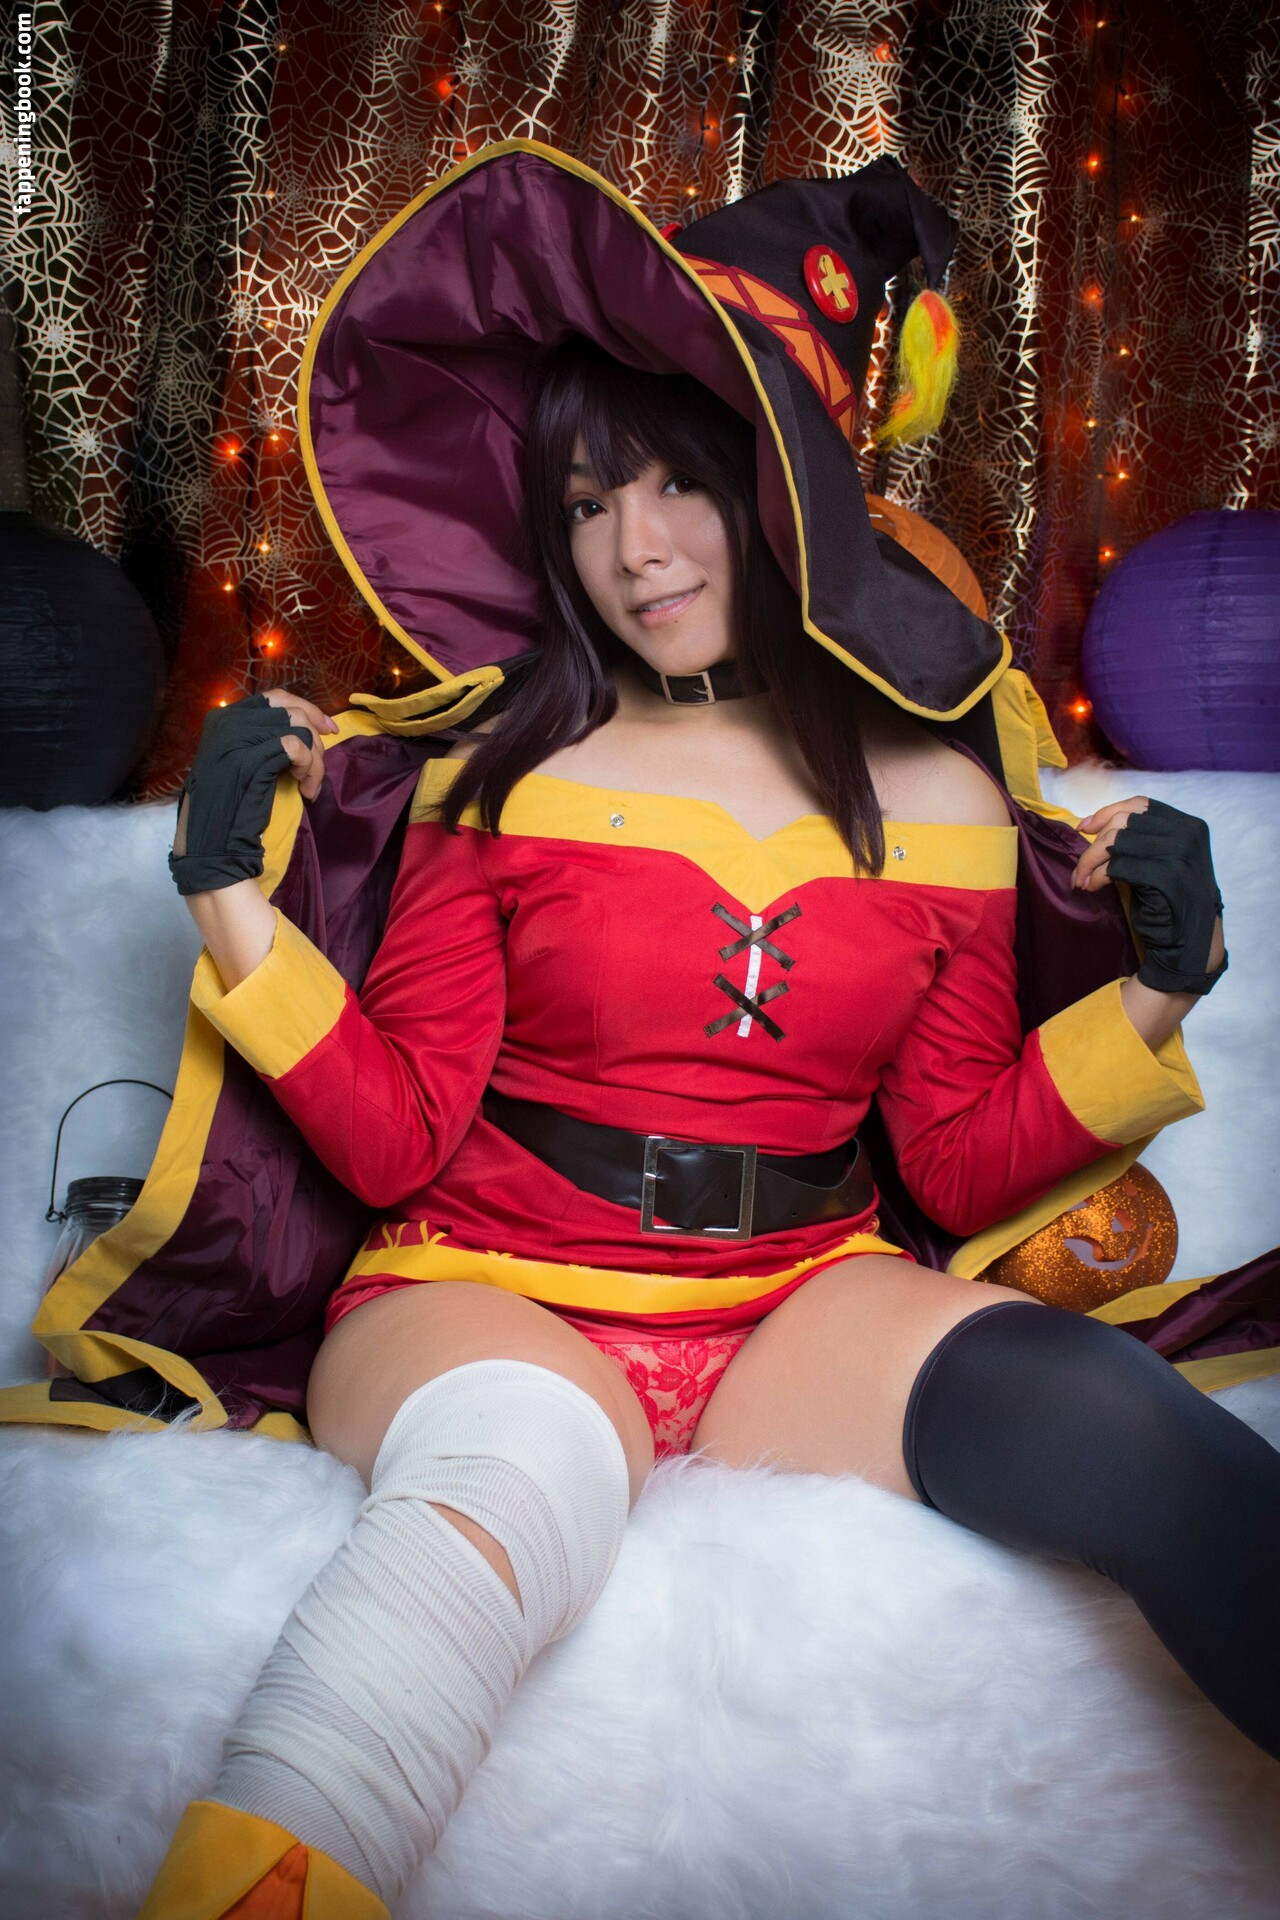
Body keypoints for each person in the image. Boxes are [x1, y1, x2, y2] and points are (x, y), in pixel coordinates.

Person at [136, 316, 1280, 1920]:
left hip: (798, 1297)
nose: (634, 548)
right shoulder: (499, 773)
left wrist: (1159, 988)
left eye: (678, 483)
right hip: (490, 1283)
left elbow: (955, 1161)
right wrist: (228, 901)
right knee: (519, 1467)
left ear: (782, 491)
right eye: (587, 504)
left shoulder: (942, 794)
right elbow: (396, 1138)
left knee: (1118, 1423)